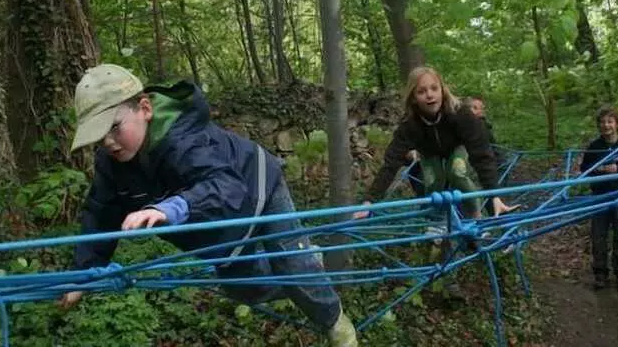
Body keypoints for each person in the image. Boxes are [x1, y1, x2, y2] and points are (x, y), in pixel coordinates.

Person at [58, 64, 357, 346]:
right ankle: (305, 267)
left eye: (114, 127)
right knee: (243, 288)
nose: (108, 142)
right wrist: (83, 275)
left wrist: (169, 208)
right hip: (219, 223)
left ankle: (336, 324)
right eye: (99, 138)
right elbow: (101, 214)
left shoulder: (183, 139)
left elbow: (225, 185)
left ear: (145, 109)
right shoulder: (112, 166)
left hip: (258, 186)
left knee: (293, 269)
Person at [355, 67, 518, 219]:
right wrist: (369, 201)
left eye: (434, 88)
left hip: (457, 148)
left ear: (442, 90)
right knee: (433, 183)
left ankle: (476, 215)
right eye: (421, 91)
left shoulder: (461, 114)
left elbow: (482, 155)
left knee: (456, 172)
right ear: (413, 98)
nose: (430, 95)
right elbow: (391, 163)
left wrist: (494, 195)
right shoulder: (410, 124)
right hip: (430, 154)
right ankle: (437, 221)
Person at [580, 105, 618, 292]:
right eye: (603, 122)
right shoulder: (594, 147)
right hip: (599, 196)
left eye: (610, 122)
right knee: (599, 236)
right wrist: (597, 170)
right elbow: (584, 170)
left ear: (617, 124)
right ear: (599, 125)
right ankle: (600, 274)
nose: (606, 125)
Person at [467, 95, 505, 167]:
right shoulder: (467, 123)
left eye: (482, 108)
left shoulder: (481, 124)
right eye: (475, 108)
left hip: (492, 159)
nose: (480, 111)